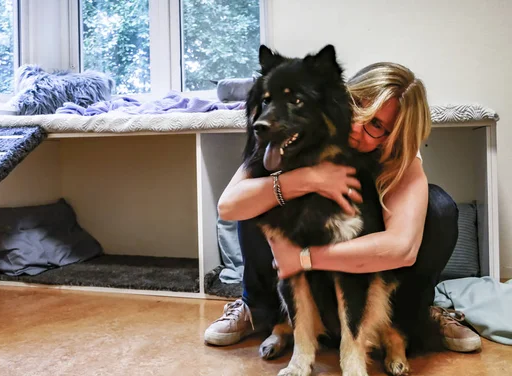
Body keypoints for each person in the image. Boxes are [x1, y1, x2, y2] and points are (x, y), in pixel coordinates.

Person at [203, 61, 482, 354]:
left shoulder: (400, 156)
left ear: (393, 138)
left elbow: (402, 247)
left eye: (376, 125)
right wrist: (308, 179)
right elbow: (229, 206)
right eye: (356, 104)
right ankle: (258, 309)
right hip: (296, 265)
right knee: (258, 198)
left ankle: (416, 313)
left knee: (437, 206)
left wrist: (305, 258)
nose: (358, 125)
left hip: (359, 267)